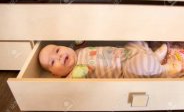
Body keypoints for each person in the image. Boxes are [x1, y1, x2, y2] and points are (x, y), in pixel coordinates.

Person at [38, 41, 179, 78]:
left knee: (134, 41)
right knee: (141, 64)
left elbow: (81, 42)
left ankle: (153, 57)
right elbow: (70, 88)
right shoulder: (72, 75)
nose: (59, 56)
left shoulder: (77, 51)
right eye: (52, 62)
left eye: (57, 50)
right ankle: (163, 70)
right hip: (125, 71)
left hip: (125, 54)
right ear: (56, 74)